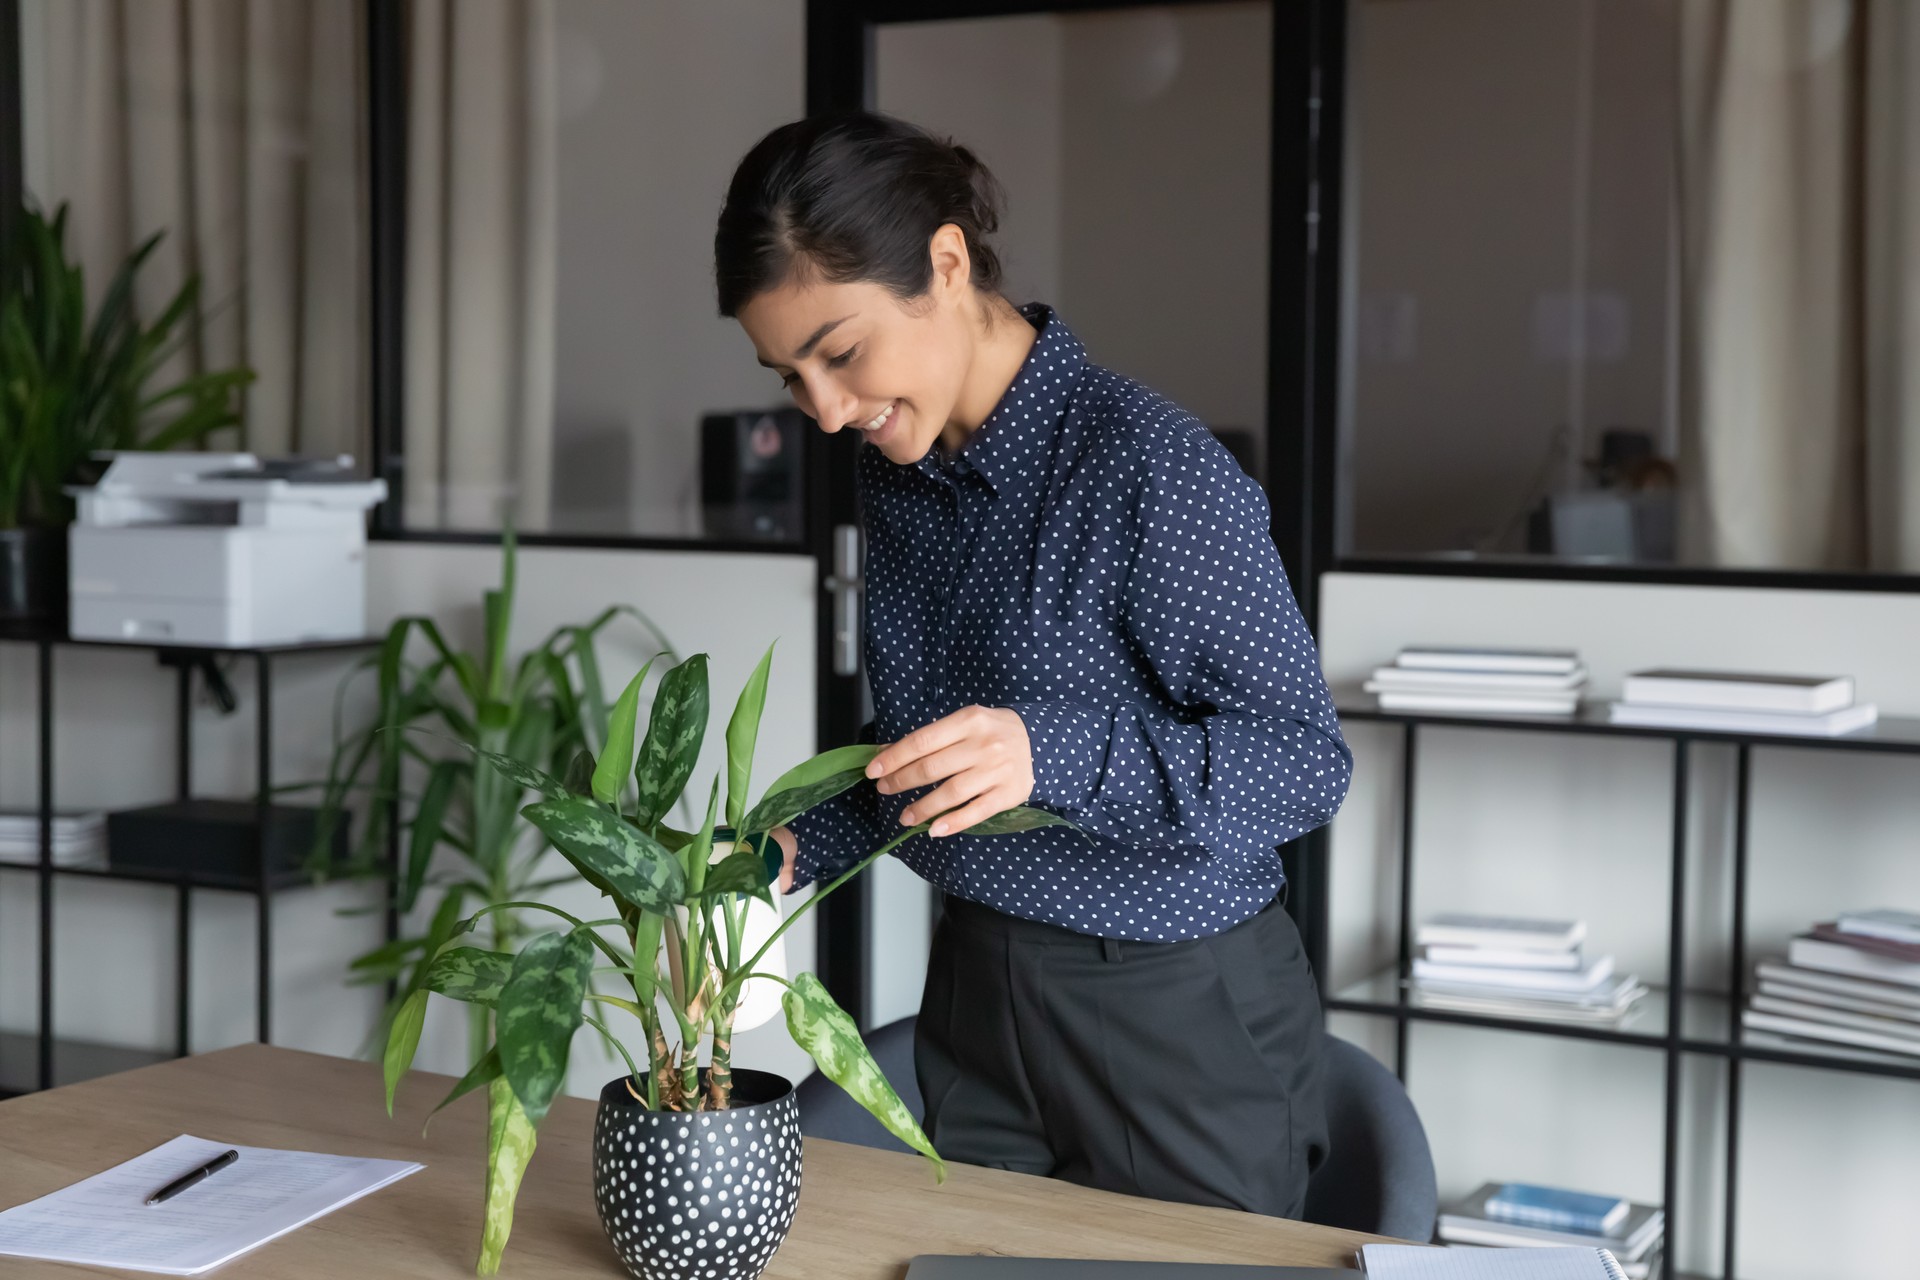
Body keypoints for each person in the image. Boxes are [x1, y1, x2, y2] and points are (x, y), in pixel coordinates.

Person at [712, 109, 1353, 1220]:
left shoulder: (1148, 468)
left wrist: (1047, 749)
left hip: (1174, 1001)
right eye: (788, 376)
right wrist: (788, 843)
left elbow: (1304, 764)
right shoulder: (902, 469)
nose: (822, 411)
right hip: (976, 985)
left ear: (946, 263)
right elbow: (935, 761)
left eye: (841, 352)